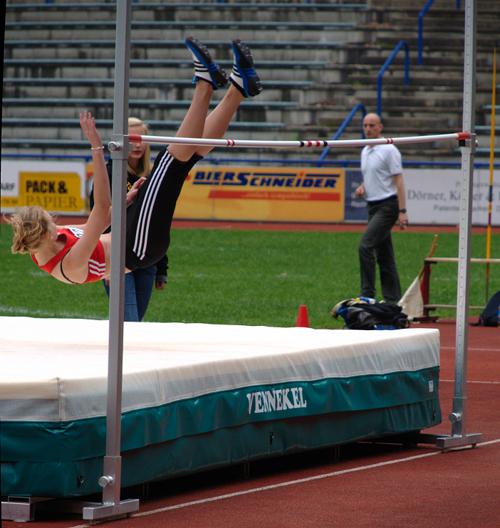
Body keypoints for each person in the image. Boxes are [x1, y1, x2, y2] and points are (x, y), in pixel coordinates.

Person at [9, 37, 262, 287]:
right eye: (52, 224)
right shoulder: (68, 265)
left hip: (130, 232)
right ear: (42, 234)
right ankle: (205, 85)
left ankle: (238, 89)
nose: (57, 223)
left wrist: (127, 202)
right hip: (137, 248)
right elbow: (99, 211)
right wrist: (96, 147)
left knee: (185, 158)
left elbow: (102, 220)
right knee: (170, 159)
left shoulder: (46, 241)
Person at [90, 117, 168, 321]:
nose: (138, 144)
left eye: (141, 138)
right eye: (132, 139)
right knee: (128, 321)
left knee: (135, 324)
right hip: (116, 258)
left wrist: (161, 268)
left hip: (146, 260)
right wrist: (107, 267)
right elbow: (99, 220)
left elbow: (157, 222)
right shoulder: (109, 173)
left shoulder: (153, 175)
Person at [354, 112, 408, 304]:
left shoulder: (389, 150)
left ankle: (367, 295)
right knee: (385, 256)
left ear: (380, 128)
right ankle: (393, 300)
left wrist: (402, 211)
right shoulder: (365, 150)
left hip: (388, 205)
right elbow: (374, 177)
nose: (368, 129)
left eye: (372, 125)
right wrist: (363, 187)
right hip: (373, 205)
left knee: (365, 246)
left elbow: (399, 181)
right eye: (365, 125)